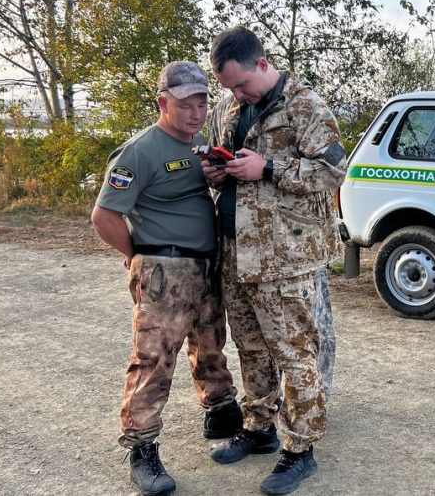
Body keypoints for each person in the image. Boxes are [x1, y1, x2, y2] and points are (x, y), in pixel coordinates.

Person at [202, 25, 345, 496]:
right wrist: (217, 169)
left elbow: (331, 171)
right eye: (228, 88)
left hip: (284, 257)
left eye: (241, 84)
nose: (236, 94)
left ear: (262, 64)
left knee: (294, 353)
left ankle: (300, 450)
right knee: (251, 347)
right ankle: (260, 425)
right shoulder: (233, 107)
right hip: (237, 251)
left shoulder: (307, 106)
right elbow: (233, 167)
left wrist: (267, 168)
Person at [91, 61, 243, 496]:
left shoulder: (199, 145)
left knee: (211, 343)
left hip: (205, 265)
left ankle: (221, 412)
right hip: (164, 270)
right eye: (185, 105)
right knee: (154, 360)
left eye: (201, 103)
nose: (196, 113)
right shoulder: (139, 150)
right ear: (163, 103)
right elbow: (104, 216)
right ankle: (141, 449)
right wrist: (137, 255)